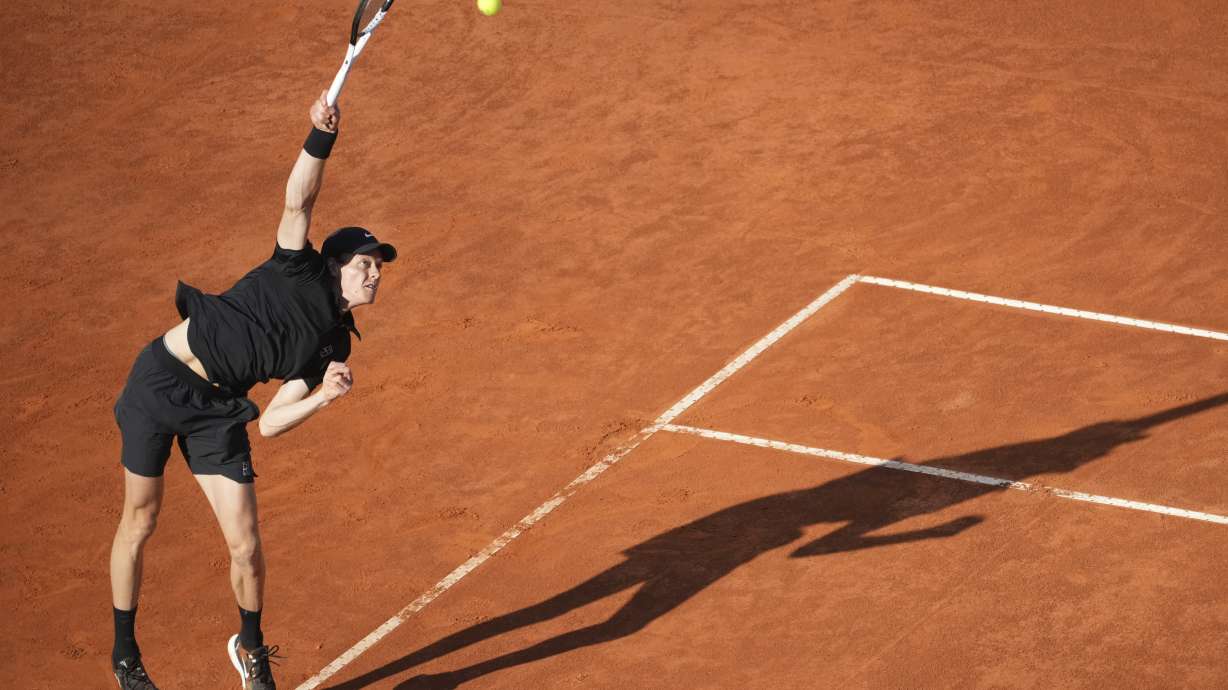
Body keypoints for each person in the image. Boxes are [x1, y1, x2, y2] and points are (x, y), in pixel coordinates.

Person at [108, 91, 395, 690]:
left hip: (219, 411)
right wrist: (320, 136)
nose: (375, 273)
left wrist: (321, 398)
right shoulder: (297, 264)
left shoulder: (333, 347)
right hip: (162, 380)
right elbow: (300, 198)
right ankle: (126, 657)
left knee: (245, 546)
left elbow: (269, 422)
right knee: (141, 517)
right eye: (367, 262)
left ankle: (252, 649)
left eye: (380, 266)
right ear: (335, 262)